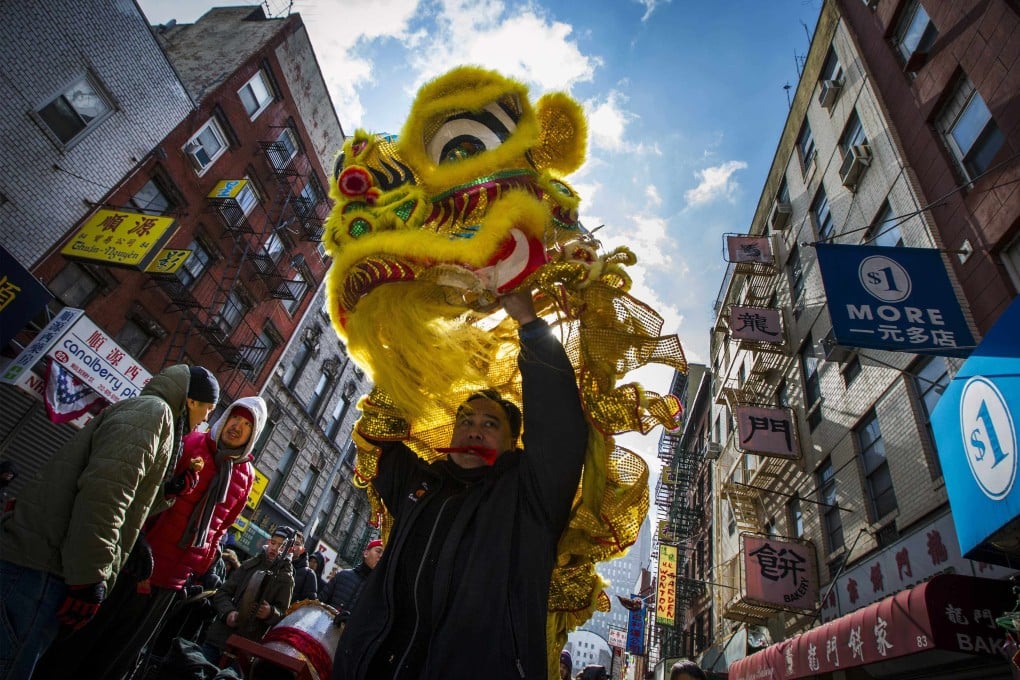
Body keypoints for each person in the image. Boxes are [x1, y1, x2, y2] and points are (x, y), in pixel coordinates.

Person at [332, 290, 588, 679]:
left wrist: (531, 327)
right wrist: (422, 329)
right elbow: (380, 427)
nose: (474, 430)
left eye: (490, 425)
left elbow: (558, 429)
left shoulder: (529, 498)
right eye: (465, 421)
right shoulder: (420, 483)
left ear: (512, 442)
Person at [0, 364, 219, 680]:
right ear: (191, 402)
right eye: (207, 409)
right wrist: (90, 579)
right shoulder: (154, 413)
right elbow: (106, 495)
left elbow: (129, 499)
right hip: (42, 569)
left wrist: (169, 490)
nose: (206, 420)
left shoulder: (158, 419)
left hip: (47, 569)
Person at [34, 396, 268, 679]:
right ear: (225, 417)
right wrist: (138, 535)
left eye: (246, 425)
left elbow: (221, 528)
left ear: (253, 434)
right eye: (235, 418)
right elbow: (147, 492)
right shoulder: (191, 442)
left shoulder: (245, 478)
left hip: (172, 581)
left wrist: (201, 566)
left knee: (117, 657)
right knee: (80, 645)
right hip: (135, 564)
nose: (237, 427)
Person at [202, 526, 295, 665]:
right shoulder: (250, 564)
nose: (274, 549)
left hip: (245, 648)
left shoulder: (286, 579)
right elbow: (222, 593)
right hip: (219, 637)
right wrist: (229, 613)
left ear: (290, 550)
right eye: (273, 543)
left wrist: (270, 613)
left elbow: (282, 615)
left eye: (281, 546)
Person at [319, 539, 383, 622]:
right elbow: (319, 602)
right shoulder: (343, 575)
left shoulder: (377, 592)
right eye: (378, 551)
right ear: (366, 553)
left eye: (384, 555)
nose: (381, 556)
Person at [289, 529, 318, 604]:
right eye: (290, 542)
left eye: (297, 544)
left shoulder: (308, 575)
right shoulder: (274, 562)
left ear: (302, 549)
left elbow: (307, 605)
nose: (292, 546)